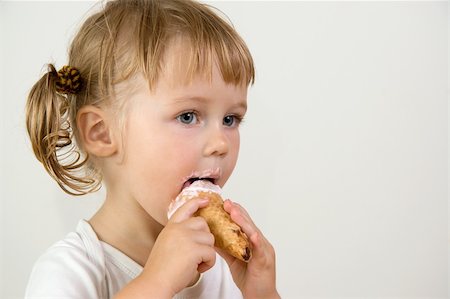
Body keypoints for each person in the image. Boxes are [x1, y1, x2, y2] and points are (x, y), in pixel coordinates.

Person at [25, 0, 279, 298]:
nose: (221, 143)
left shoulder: (219, 267)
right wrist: (157, 282)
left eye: (230, 119)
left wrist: (262, 292)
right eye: (188, 116)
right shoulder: (70, 270)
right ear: (102, 132)